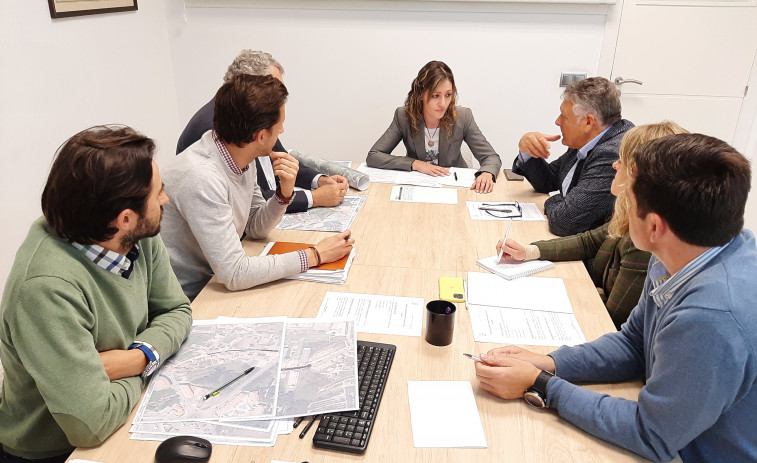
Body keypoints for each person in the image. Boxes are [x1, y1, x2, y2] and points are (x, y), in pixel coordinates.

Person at [476, 133, 756, 462]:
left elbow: (651, 433)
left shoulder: (712, 317)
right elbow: (634, 343)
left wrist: (541, 385)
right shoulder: (685, 246)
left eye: (628, 198)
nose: (619, 201)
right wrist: (548, 363)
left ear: (654, 227)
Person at [0, 126, 192, 462]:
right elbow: (90, 423)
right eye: (158, 192)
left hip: (124, 413)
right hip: (57, 450)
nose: (165, 199)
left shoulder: (134, 235)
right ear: (126, 218)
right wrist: (151, 364)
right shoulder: (46, 289)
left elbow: (177, 309)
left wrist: (139, 358)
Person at [161, 74, 354, 300]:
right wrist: (315, 255)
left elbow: (255, 227)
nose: (282, 130)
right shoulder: (201, 177)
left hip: (215, 281)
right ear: (261, 136)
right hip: (192, 298)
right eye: (280, 125)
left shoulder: (239, 152)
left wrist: (284, 193)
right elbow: (234, 273)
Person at [498, 122, 687, 329]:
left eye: (622, 160)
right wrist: (529, 251)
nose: (614, 165)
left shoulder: (647, 242)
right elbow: (590, 240)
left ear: (644, 176)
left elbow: (611, 322)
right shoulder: (630, 213)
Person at [176, 49, 348, 213]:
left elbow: (280, 160)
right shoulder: (217, 126)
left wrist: (320, 181)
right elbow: (249, 203)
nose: (281, 97)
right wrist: (315, 198)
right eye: (274, 89)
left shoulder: (253, 114)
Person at [513, 77, 634, 236]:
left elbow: (564, 222)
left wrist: (555, 200)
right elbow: (548, 181)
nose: (557, 121)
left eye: (564, 116)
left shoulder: (612, 154)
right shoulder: (589, 140)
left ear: (588, 122)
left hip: (587, 256)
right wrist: (527, 151)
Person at [366, 60, 501, 193]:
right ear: (421, 94)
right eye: (435, 95)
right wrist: (415, 163)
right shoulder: (404, 116)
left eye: (448, 95)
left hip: (454, 187)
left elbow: (491, 157)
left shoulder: (463, 116)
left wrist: (486, 173)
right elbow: (374, 156)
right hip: (418, 187)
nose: (443, 103)